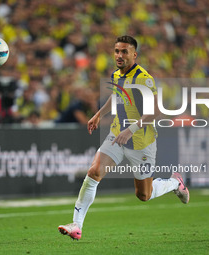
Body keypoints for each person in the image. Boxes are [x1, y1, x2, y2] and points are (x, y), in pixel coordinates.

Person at [58, 35, 189, 240]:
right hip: (117, 135)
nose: (119, 55)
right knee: (94, 172)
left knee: (143, 195)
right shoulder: (117, 75)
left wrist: (132, 129)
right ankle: (76, 225)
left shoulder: (143, 78)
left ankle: (174, 183)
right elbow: (116, 96)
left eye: (124, 52)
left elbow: (155, 111)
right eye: (117, 51)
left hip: (141, 141)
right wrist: (99, 114)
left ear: (134, 54)